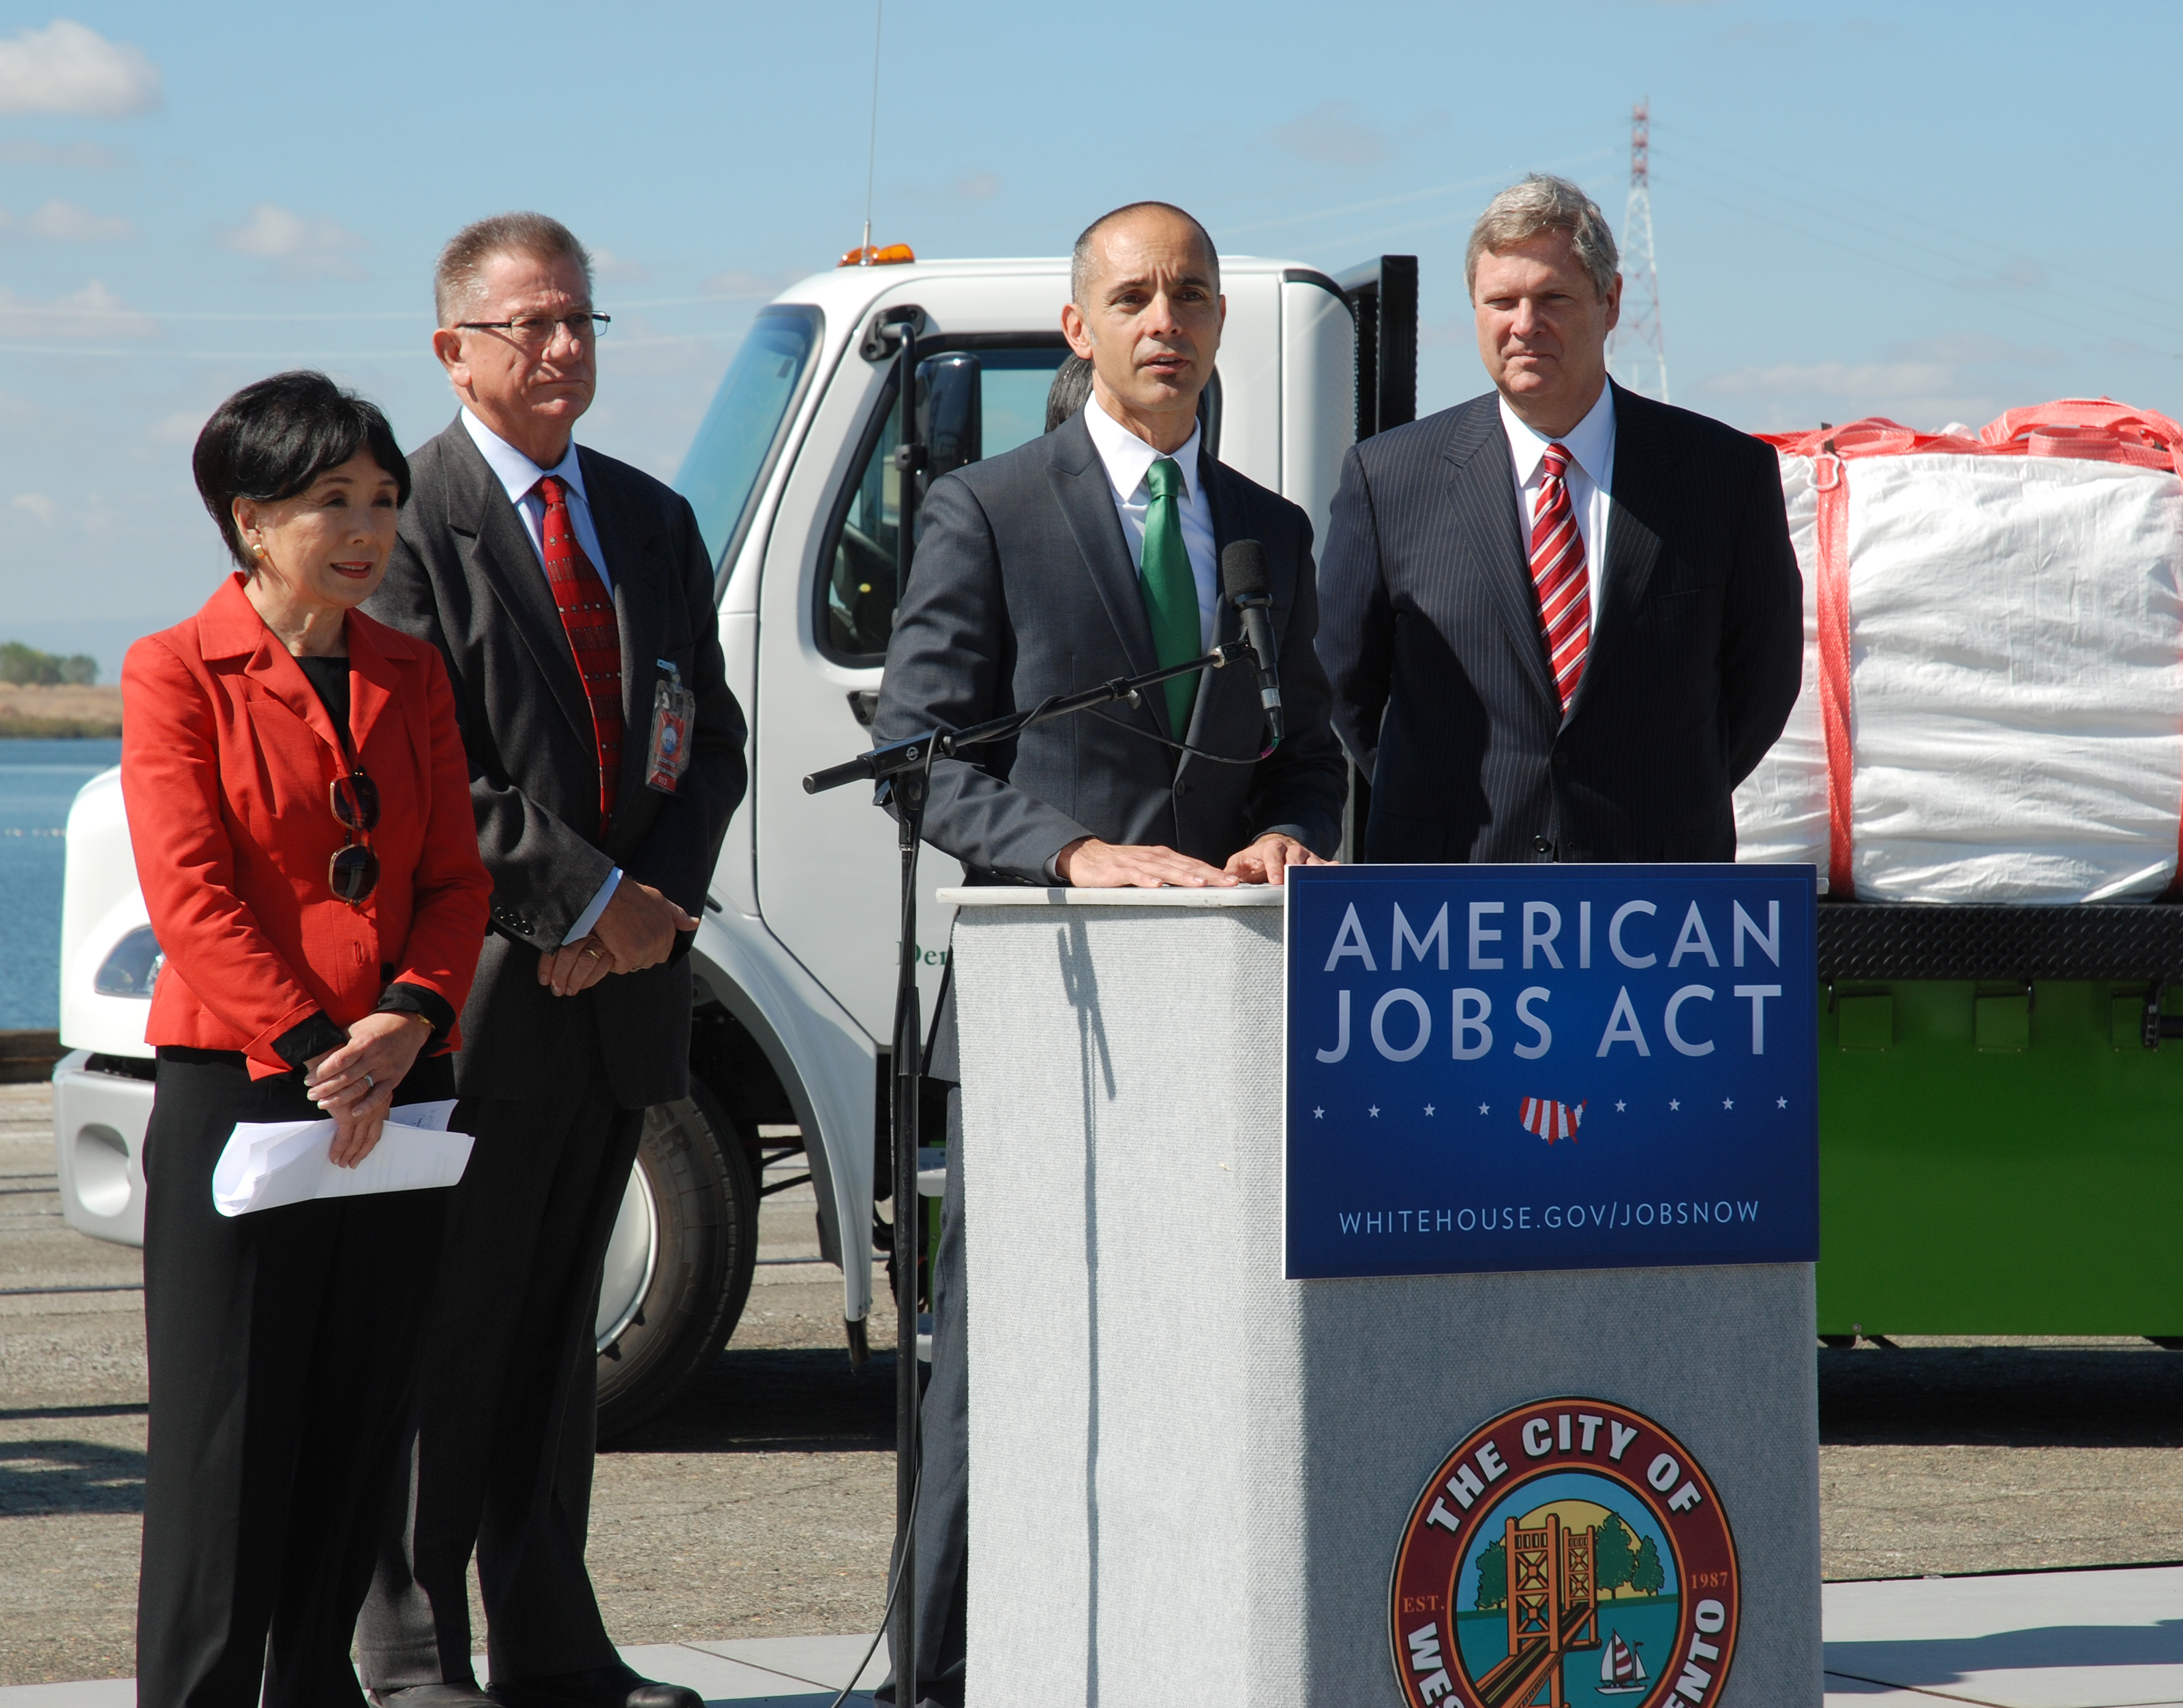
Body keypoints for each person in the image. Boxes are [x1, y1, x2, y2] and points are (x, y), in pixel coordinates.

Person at [871, 200, 1347, 1707]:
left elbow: (1311, 748)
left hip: (1220, 1011)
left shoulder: (1271, 528)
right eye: (1133, 296)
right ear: (1076, 328)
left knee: (1200, 1359)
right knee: (1000, 1370)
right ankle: (939, 1673)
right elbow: (917, 756)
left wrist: (1288, 830)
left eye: (1191, 296)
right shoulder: (987, 509)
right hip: (1050, 1006)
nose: (1166, 321)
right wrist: (1069, 851)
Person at [354, 213, 747, 1708]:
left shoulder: (648, 517)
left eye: (581, 319)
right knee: (446, 1342)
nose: (565, 348)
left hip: (620, 1005)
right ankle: (411, 1648)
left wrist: (649, 908)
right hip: (477, 1003)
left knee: (553, 1348)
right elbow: (428, 764)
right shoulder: (407, 523)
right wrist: (583, 906)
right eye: (530, 324)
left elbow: (708, 737)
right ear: (454, 346)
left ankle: (554, 1644)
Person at [123, 371, 492, 1707]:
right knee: (228, 1436)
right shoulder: (176, 668)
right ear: (249, 518)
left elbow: (457, 880)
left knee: (357, 1415)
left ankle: (316, 1681)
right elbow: (192, 894)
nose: (366, 528)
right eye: (332, 500)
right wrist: (313, 1046)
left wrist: (406, 1018)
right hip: (245, 1085)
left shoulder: (411, 673)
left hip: (401, 1078)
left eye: (382, 500)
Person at [1316, 174, 1803, 863]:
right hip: (1451, 888)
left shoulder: (1724, 476)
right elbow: (1343, 682)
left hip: (1652, 886)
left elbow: (1762, 684)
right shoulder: (1389, 478)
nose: (1524, 325)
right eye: (1501, 301)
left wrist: (1653, 799)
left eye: (1552, 298)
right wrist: (1438, 799)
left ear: (1609, 303)